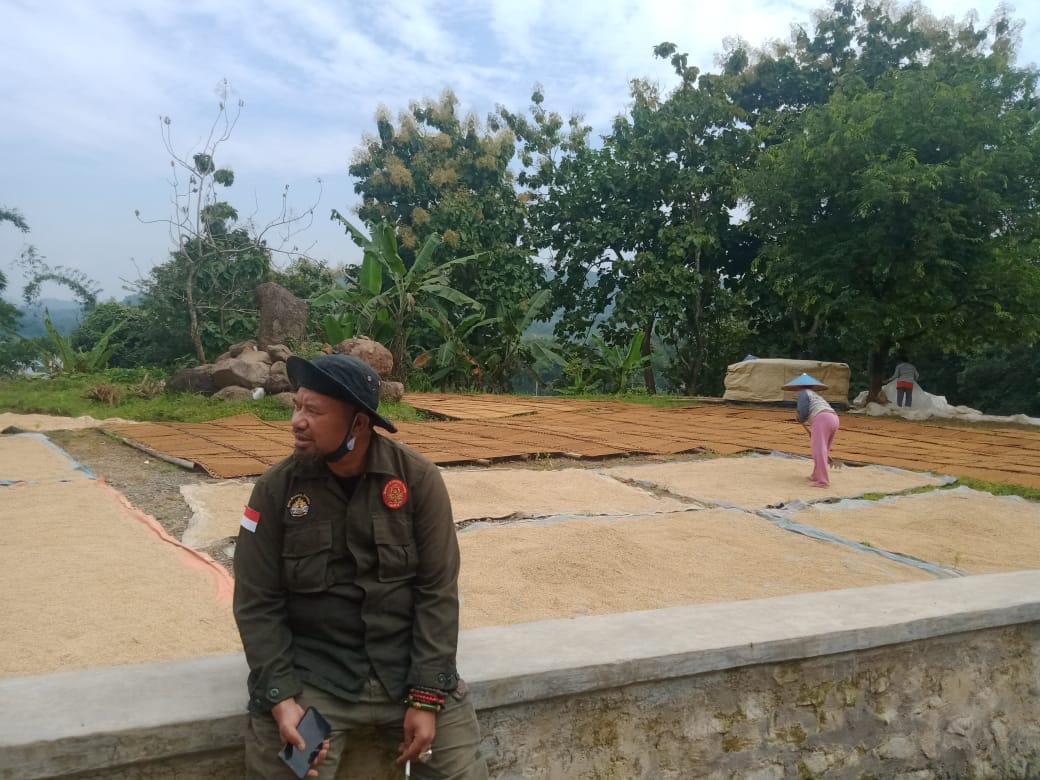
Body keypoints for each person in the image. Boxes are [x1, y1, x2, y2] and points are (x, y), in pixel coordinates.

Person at [233, 353, 489, 779]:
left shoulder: (417, 481)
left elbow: (437, 591)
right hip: (317, 681)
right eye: (297, 407)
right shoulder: (276, 490)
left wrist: (426, 696)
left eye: (314, 411)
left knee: (459, 772)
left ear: (358, 425)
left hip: (405, 674)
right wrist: (281, 698)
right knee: (290, 772)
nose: (297, 422)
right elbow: (256, 601)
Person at [783, 373, 840, 488]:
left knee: (818, 450)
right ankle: (816, 475)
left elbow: (803, 411)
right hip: (833, 418)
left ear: (798, 385)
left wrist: (800, 418)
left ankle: (823, 481)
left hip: (822, 418)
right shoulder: (814, 394)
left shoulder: (803, 393)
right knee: (823, 449)